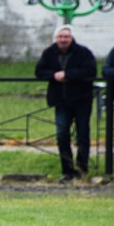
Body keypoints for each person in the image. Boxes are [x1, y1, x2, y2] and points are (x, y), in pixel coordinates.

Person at [35, 25, 97, 183]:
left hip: (82, 100)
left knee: (82, 134)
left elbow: (90, 71)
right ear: (56, 39)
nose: (63, 40)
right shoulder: (49, 53)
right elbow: (39, 71)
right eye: (60, 37)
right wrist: (54, 75)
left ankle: (82, 169)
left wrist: (68, 74)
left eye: (66, 37)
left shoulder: (83, 53)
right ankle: (67, 170)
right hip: (61, 101)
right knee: (62, 134)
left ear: (72, 38)